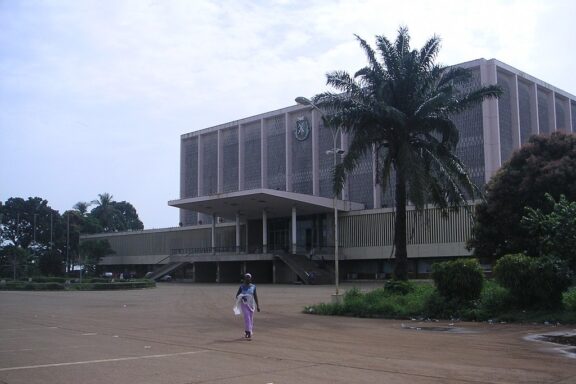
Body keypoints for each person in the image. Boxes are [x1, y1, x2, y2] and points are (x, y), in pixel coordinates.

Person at [235, 273, 260, 339]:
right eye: (246, 277)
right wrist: (242, 297)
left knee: (250, 319)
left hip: (251, 304)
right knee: (247, 318)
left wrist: (258, 306)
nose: (247, 278)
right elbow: (237, 296)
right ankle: (248, 333)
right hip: (244, 304)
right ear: (244, 278)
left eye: (248, 277)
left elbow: (255, 296)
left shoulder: (253, 287)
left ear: (250, 278)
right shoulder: (241, 286)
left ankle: (247, 331)